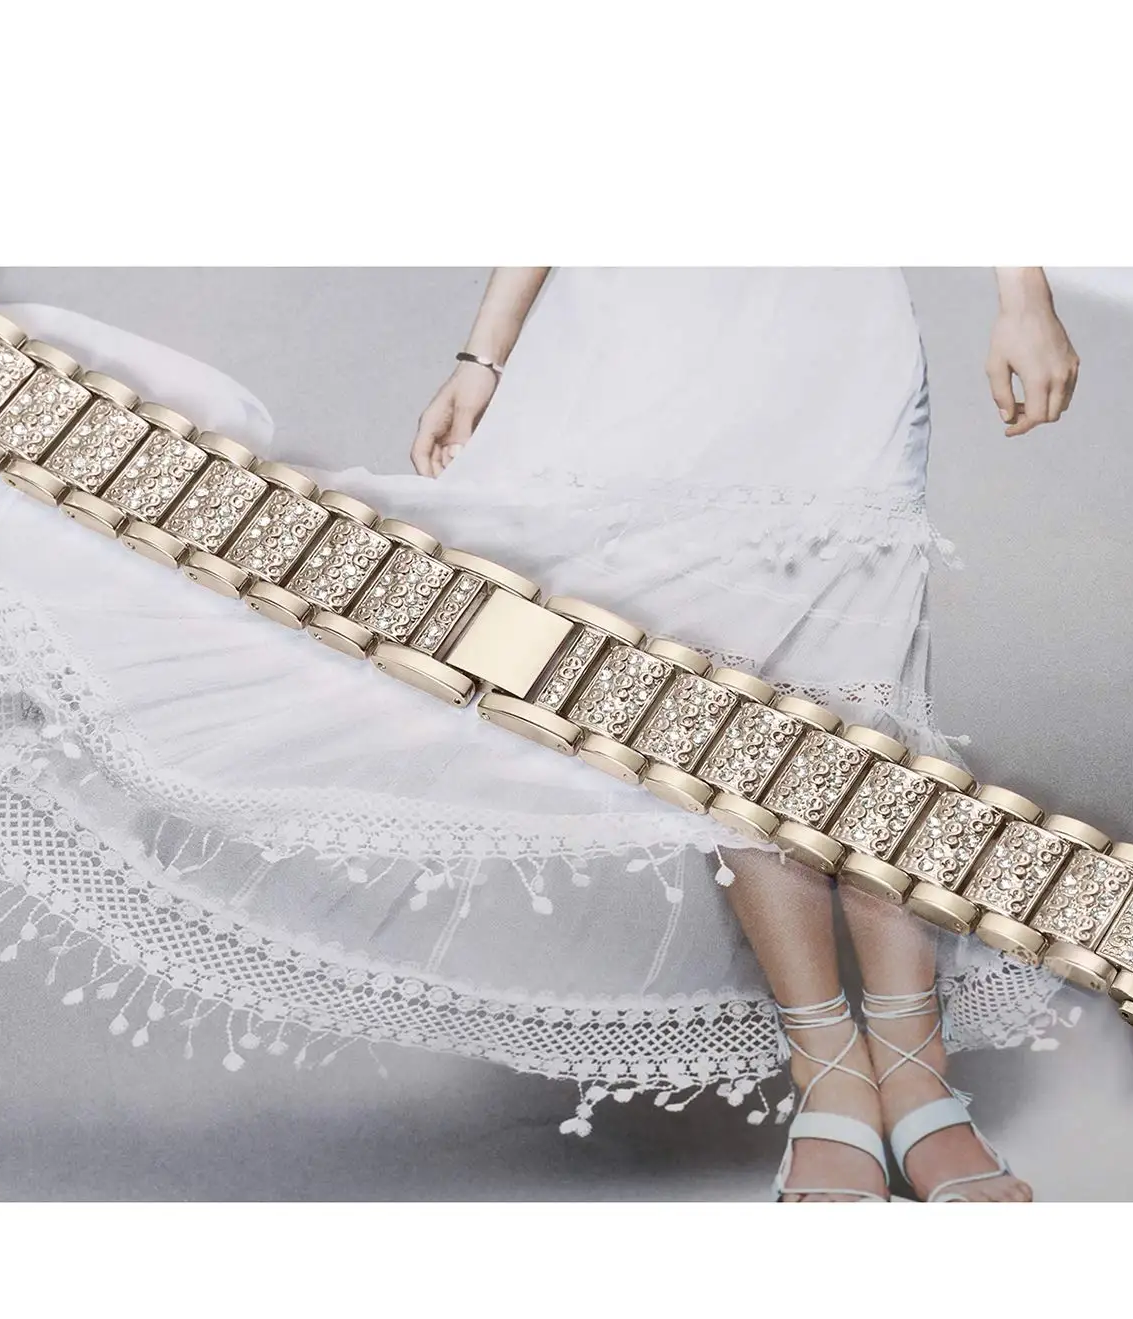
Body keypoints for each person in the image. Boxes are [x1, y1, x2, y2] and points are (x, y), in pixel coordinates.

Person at [411, 268, 1080, 1200]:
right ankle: (829, 1062)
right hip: (638, 323)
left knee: (868, 698)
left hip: (829, 310)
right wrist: (484, 356)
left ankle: (913, 1063)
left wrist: (1023, 295)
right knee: (725, 706)